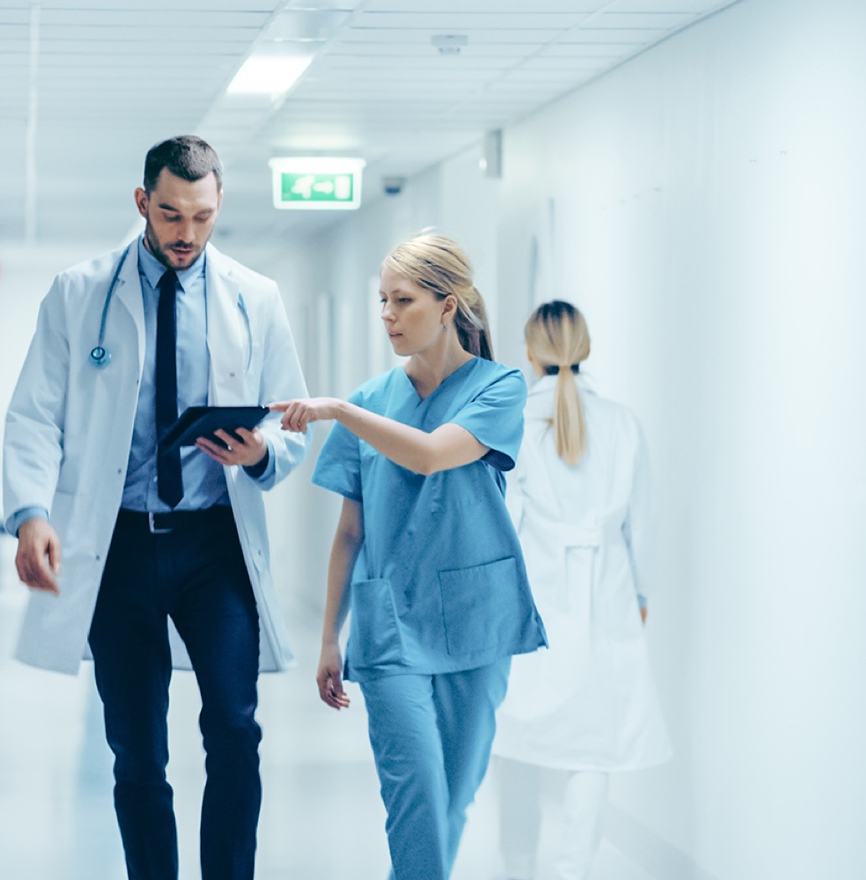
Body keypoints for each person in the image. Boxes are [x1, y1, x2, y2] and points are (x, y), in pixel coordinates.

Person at [2, 135, 310, 880]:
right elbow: (35, 415)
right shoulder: (79, 295)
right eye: (171, 215)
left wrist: (262, 452)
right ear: (142, 203)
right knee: (137, 750)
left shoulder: (254, 298)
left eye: (201, 217)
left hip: (214, 546)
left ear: (218, 206)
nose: (186, 234)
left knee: (235, 729)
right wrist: (31, 512)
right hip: (120, 550)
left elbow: (290, 420)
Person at [271, 233, 546, 880]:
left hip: (479, 622)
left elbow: (428, 453)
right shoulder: (371, 402)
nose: (388, 315)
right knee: (415, 802)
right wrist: (329, 639)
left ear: (448, 306)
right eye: (382, 301)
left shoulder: (500, 388)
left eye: (403, 300)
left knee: (453, 798)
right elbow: (348, 533)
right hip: (389, 624)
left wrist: (336, 410)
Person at [490, 300, 672, 880]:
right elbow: (640, 525)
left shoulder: (514, 420)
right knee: (597, 740)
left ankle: (518, 862)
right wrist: (639, 598)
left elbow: (503, 523)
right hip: (607, 595)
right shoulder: (622, 422)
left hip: (532, 601)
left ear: (530, 351)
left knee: (517, 733)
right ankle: (575, 867)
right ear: (584, 347)